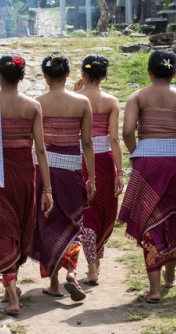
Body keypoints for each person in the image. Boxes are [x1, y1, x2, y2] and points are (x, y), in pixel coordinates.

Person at [0, 54, 53, 316]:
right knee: (18, 226)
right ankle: (10, 284)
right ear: (23, 77)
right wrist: (47, 189)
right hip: (25, 174)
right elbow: (41, 151)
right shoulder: (33, 105)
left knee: (3, 229)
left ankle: (12, 294)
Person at [118, 50, 176, 303]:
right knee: (172, 216)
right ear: (174, 73)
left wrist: (138, 153)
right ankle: (170, 274)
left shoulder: (138, 97)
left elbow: (128, 130)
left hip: (147, 163)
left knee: (151, 222)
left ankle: (153, 289)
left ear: (149, 72)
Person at [29, 52, 96, 302]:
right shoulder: (81, 104)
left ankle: (54, 285)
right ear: (68, 74)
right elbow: (87, 143)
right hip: (71, 170)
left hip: (44, 170)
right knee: (72, 223)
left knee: (47, 224)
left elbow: (36, 145)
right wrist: (93, 179)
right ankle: (70, 271)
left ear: (45, 76)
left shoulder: (37, 103)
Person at [74, 54, 124, 286]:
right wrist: (121, 171)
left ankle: (92, 265)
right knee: (105, 211)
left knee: (87, 213)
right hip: (104, 159)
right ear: (104, 76)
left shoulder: (75, 98)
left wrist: (75, 91)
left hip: (80, 159)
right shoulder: (111, 101)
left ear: (83, 74)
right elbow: (114, 138)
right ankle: (94, 264)